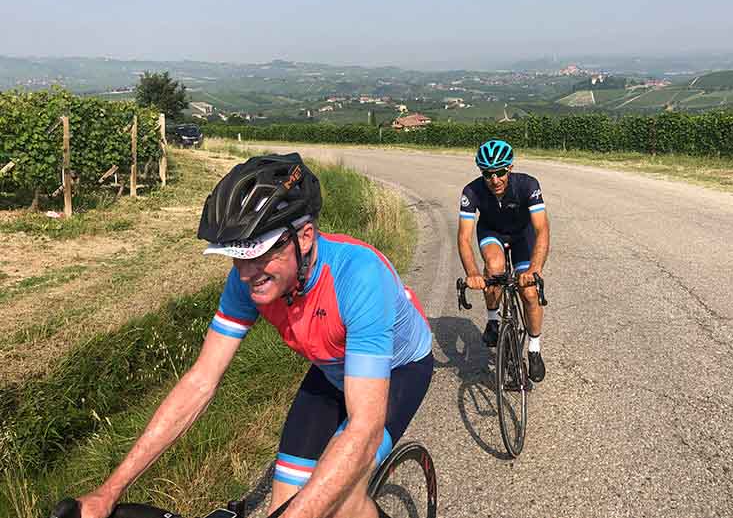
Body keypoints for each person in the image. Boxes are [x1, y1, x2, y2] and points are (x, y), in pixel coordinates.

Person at [76, 153, 434, 518]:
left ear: (305, 237)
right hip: (330, 370)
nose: (247, 273)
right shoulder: (248, 281)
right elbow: (200, 381)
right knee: (284, 503)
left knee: (340, 502)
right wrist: (109, 490)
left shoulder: (359, 276)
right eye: (236, 256)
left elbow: (365, 430)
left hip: (398, 368)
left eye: (258, 253)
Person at [457, 139, 550, 382]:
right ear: (481, 173)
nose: (494, 179)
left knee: (529, 292)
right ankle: (493, 320)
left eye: (499, 172)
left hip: (523, 235)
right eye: (488, 173)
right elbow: (464, 238)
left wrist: (535, 269)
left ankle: (534, 349)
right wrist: (473, 273)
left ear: (509, 167)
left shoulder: (528, 185)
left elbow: (541, 230)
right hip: (491, 232)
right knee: (494, 269)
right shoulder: (471, 191)